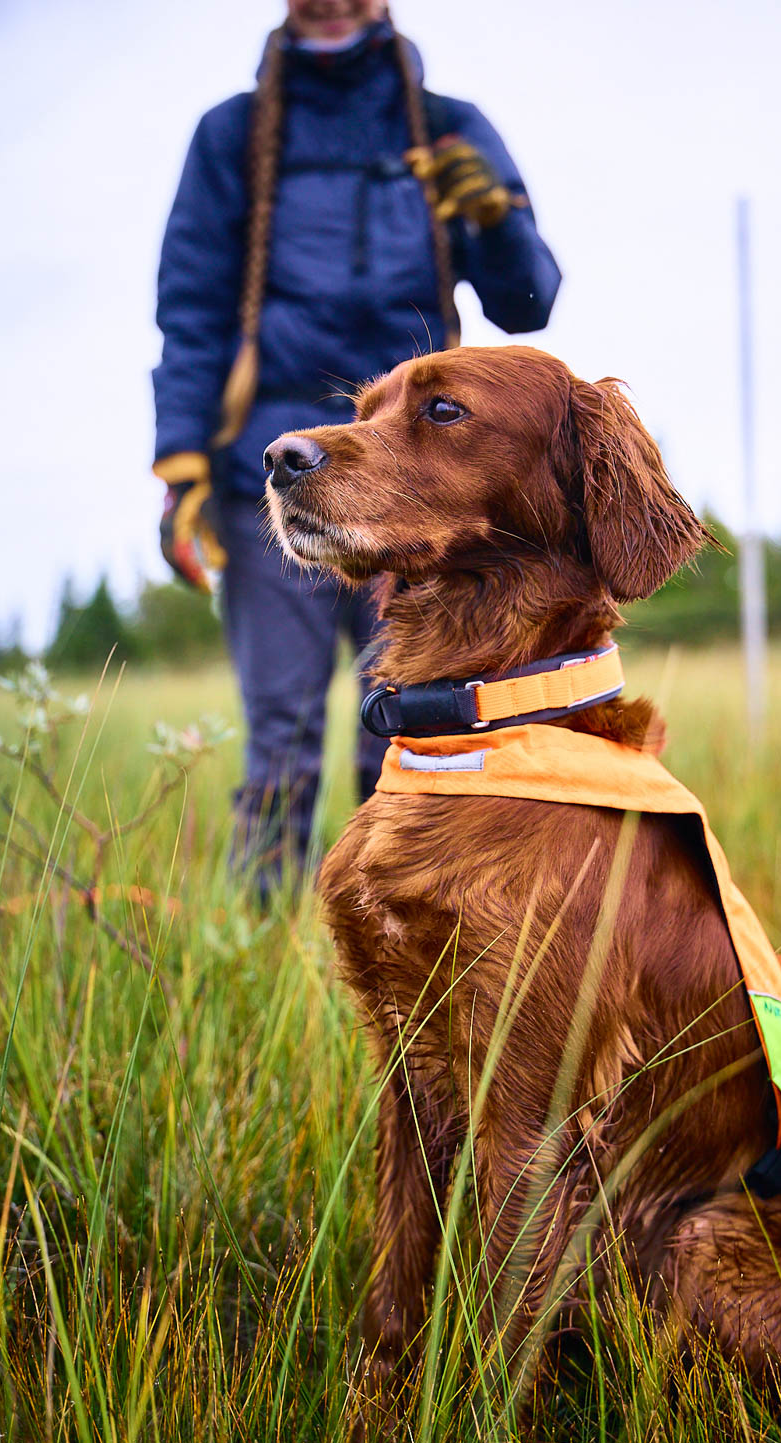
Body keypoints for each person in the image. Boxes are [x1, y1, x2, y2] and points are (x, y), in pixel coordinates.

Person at [152, 0, 560, 896]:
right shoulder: (234, 136)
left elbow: (527, 306)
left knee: (410, 728)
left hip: (418, 477)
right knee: (282, 735)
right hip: (269, 468)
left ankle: (394, 934)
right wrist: (181, 465)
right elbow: (190, 310)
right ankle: (260, 951)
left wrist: (495, 225)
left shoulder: (448, 130)